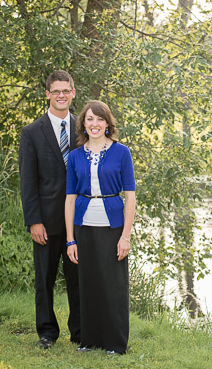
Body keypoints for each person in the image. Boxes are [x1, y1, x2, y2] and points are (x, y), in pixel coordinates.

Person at [65, 100, 136, 355]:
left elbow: (130, 197)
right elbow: (70, 198)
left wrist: (125, 236)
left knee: (113, 285)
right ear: (83, 123)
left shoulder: (121, 152)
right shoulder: (74, 156)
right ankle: (89, 340)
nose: (94, 124)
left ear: (107, 124)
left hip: (113, 226)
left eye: (99, 119)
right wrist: (70, 239)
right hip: (84, 225)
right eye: (90, 119)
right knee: (88, 283)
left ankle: (115, 343)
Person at [19, 70, 81, 349]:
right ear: (47, 94)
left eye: (65, 90)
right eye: (55, 91)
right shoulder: (32, 132)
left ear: (73, 93)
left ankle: (80, 331)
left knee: (78, 280)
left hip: (79, 221)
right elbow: (28, 181)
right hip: (46, 221)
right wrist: (34, 221)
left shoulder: (84, 127)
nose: (60, 95)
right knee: (44, 281)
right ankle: (47, 332)